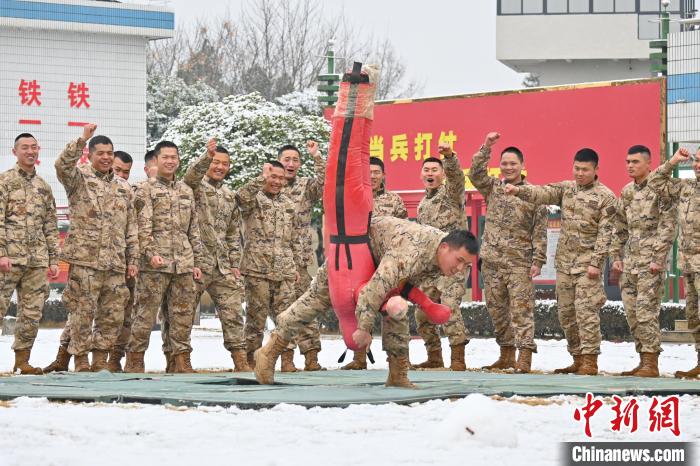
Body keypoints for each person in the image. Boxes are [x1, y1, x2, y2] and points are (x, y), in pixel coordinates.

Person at [253, 218, 478, 387]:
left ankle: (398, 373)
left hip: (378, 263)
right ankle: (271, 350)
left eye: (466, 265)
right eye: (459, 261)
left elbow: (397, 286)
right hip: (351, 260)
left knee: (396, 307)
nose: (460, 269)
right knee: (315, 301)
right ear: (445, 247)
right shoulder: (413, 251)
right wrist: (364, 328)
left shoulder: (437, 252)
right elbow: (375, 290)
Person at [505, 148, 616, 376]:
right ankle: (577, 357)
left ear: (596, 170)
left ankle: (590, 361)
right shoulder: (567, 189)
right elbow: (541, 193)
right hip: (564, 265)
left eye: (585, 169)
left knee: (586, 313)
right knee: (566, 314)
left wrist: (596, 263)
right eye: (576, 168)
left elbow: (606, 234)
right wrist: (518, 191)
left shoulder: (606, 197)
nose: (580, 173)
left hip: (588, 267)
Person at [54, 124, 138, 372]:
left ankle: (100, 359)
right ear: (89, 155)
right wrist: (82, 139)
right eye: (100, 152)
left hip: (115, 263)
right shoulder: (79, 178)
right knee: (81, 313)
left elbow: (131, 227)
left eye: (109, 153)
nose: (106, 157)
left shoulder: (123, 188)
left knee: (111, 314)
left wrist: (132, 260)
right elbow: (61, 165)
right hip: (85, 261)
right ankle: (80, 359)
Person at [468, 133, 548, 373]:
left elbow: (540, 231)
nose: (509, 167)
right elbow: (475, 174)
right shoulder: (494, 187)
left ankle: (524, 356)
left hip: (518, 263)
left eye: (513, 163)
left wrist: (538, 260)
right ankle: (506, 355)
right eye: (505, 163)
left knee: (522, 310)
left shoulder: (533, 194)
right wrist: (487, 147)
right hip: (491, 262)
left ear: (522, 166)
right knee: (497, 310)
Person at [124, 141, 203, 373]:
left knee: (182, 316)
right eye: (165, 157)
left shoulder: (186, 191)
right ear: (156, 160)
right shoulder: (145, 190)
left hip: (183, 264)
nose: (170, 161)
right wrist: (150, 254)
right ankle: (135, 360)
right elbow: (142, 227)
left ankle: (180, 361)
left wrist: (197, 262)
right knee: (144, 315)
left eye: (174, 157)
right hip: (155, 265)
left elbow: (193, 230)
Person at [182, 138, 249, 372]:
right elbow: (190, 176)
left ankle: (241, 360)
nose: (219, 167)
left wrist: (234, 264)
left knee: (233, 314)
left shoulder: (230, 195)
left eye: (224, 163)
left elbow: (232, 233)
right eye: (215, 162)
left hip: (222, 267)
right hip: (196, 262)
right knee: (182, 314)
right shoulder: (195, 186)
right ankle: (179, 360)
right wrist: (205, 157)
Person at [0, 133, 59, 374]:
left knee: (32, 313)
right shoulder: (5, 182)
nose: (30, 152)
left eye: (34, 147)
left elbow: (50, 225)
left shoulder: (43, 187)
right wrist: (1, 252)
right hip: (8, 259)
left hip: (36, 261)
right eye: (25, 148)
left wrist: (53, 259)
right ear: (15, 152)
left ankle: (22, 362)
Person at [237, 160, 303, 372]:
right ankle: (251, 359)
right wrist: (260, 178)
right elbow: (240, 197)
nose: (277, 182)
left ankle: (286, 359)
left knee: (287, 318)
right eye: (273, 177)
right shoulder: (254, 198)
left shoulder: (289, 203)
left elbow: (294, 238)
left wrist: (295, 267)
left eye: (281, 178)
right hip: (257, 269)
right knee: (256, 320)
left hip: (284, 270)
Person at [413, 142, 470, 371]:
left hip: (454, 263)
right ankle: (434, 356)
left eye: (434, 170)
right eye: (426, 170)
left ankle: (458, 357)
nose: (430, 174)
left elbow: (457, 178)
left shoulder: (451, 193)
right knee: (422, 311)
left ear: (442, 174)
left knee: (448, 307)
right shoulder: (422, 204)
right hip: (431, 266)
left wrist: (449, 157)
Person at [646, 147, 700, 378]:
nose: (697, 165)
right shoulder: (686, 188)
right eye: (697, 161)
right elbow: (655, 183)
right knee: (694, 316)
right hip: (688, 264)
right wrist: (674, 161)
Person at [279, 141, 326, 371]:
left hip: (301, 260)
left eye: (295, 160)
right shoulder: (268, 186)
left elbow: (324, 183)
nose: (290, 163)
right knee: (283, 309)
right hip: (275, 260)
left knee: (306, 307)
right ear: (278, 162)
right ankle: (286, 359)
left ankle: (311, 358)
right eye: (286, 159)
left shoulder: (306, 185)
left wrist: (316, 156)